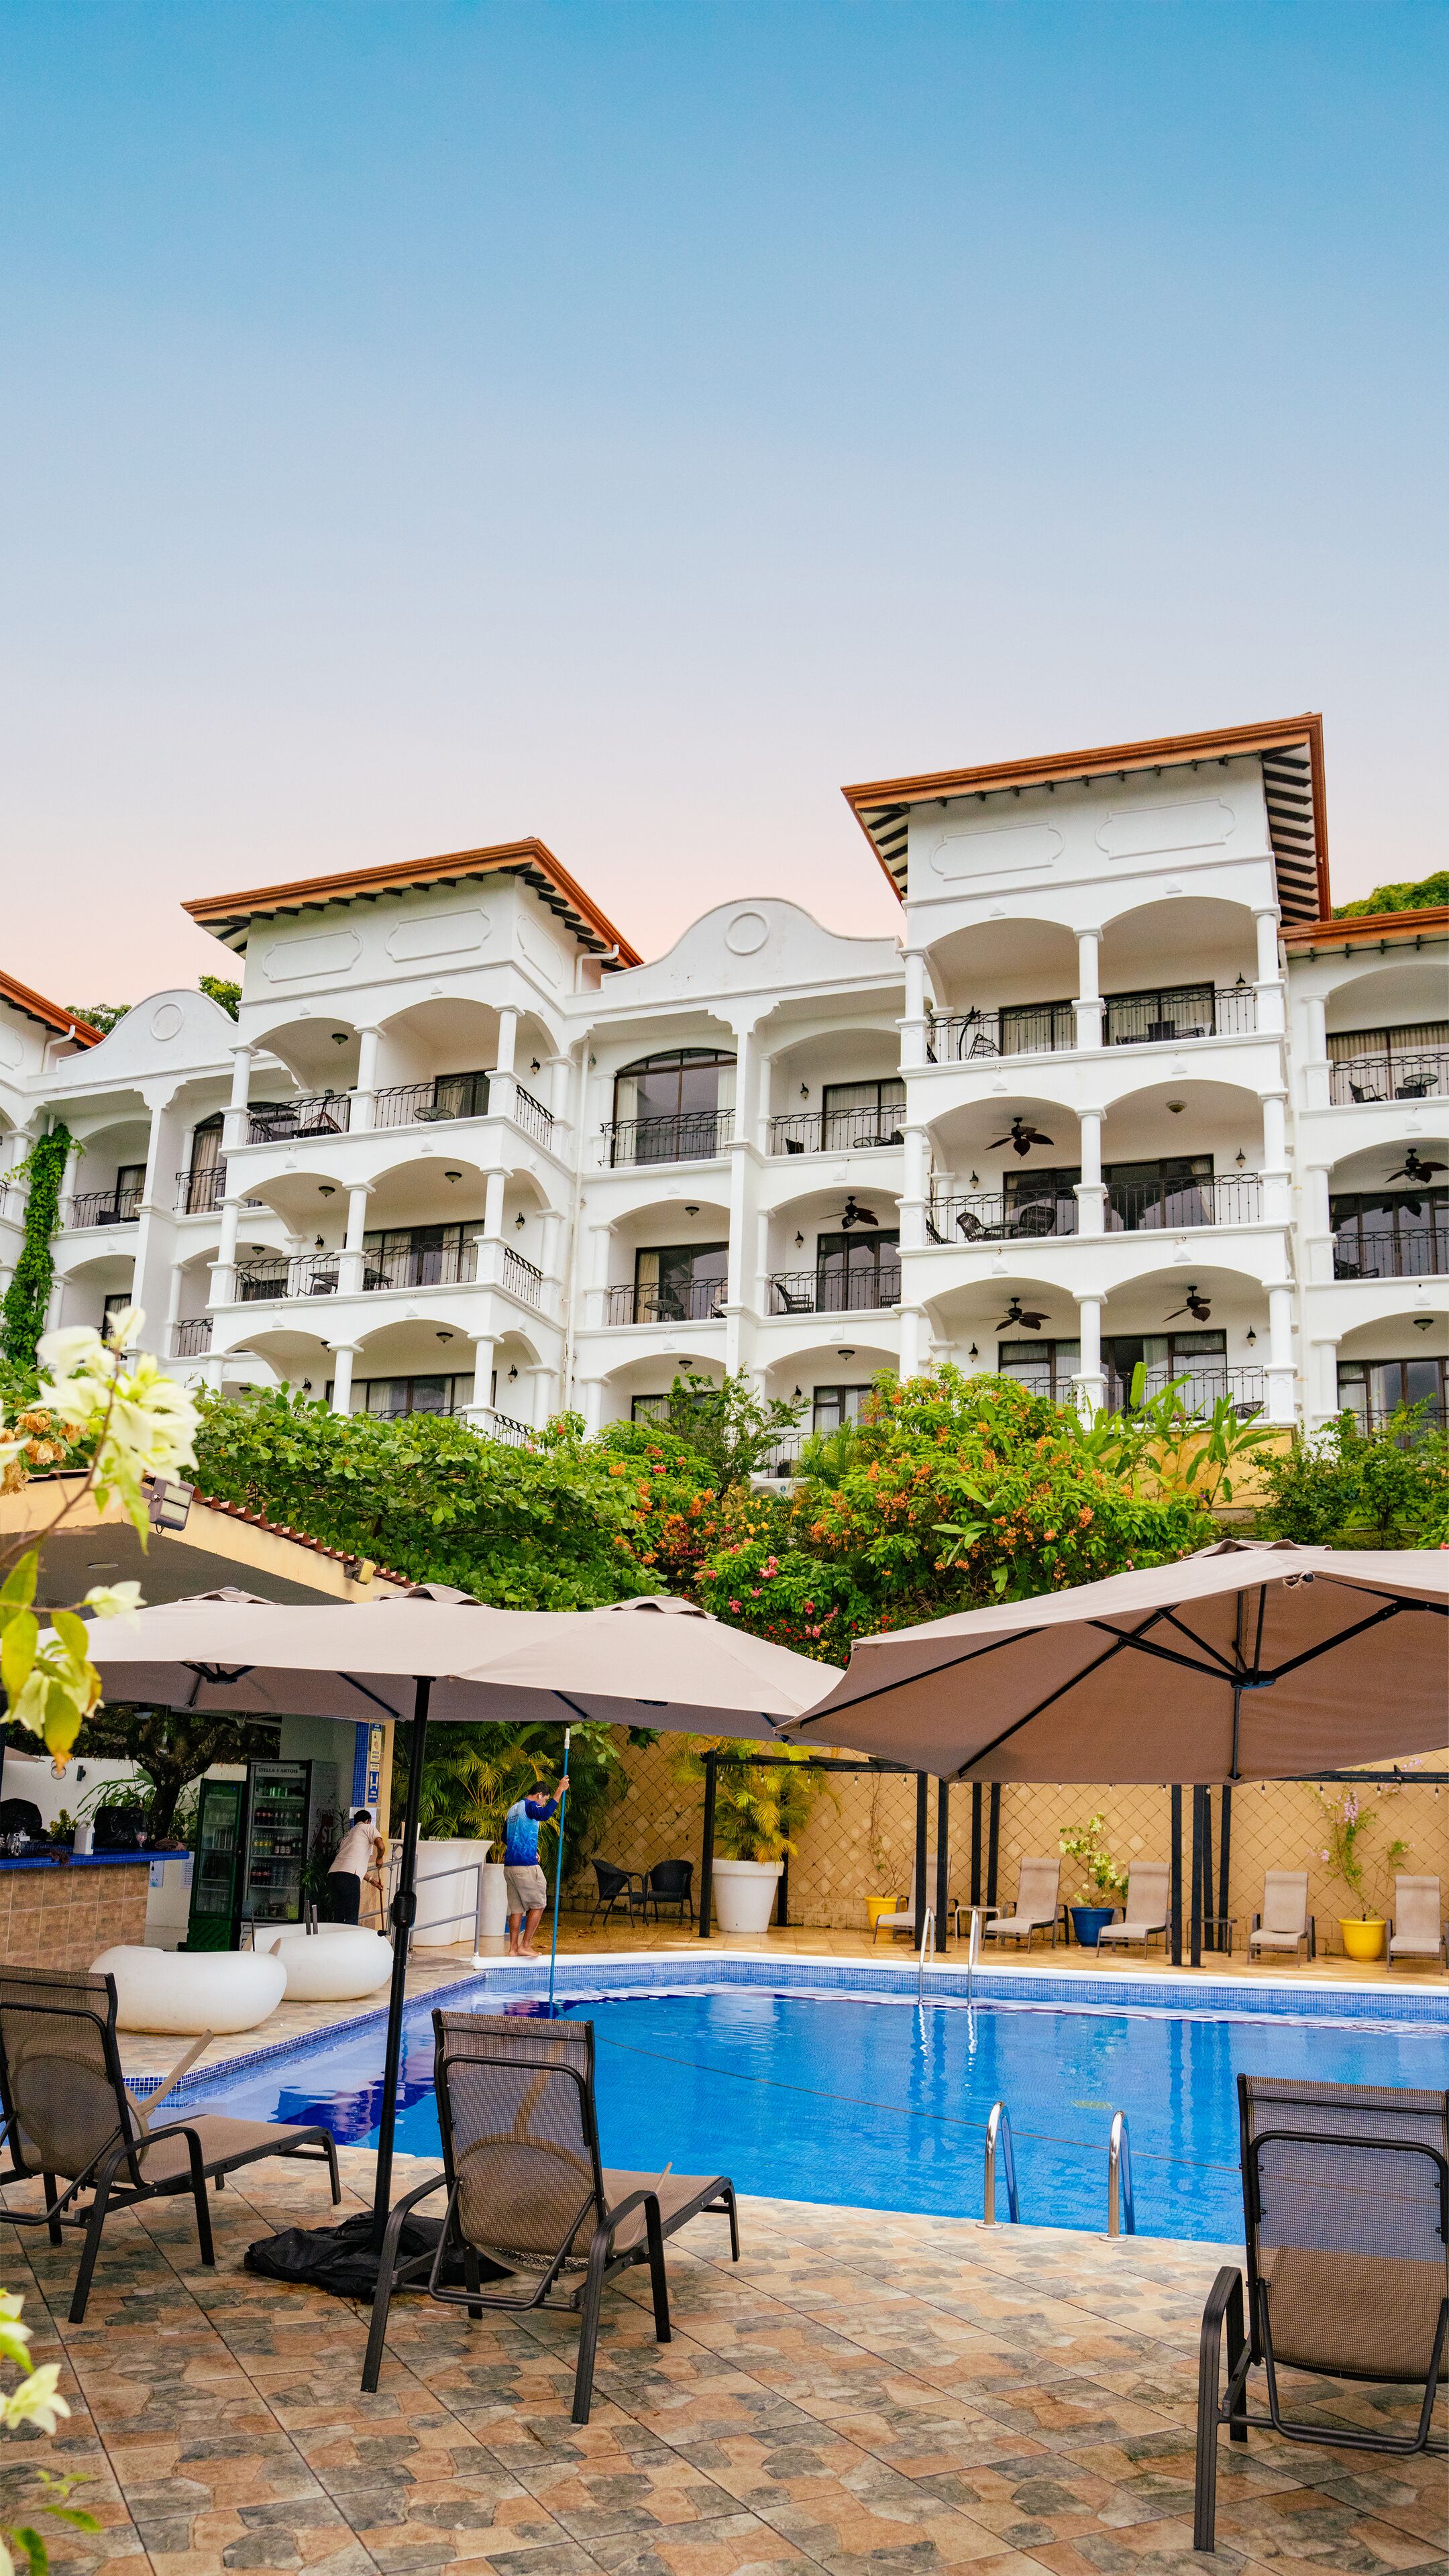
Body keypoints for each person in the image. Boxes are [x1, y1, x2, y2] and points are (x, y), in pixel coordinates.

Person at [503, 1773, 568, 1957]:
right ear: (539, 1795)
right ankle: (526, 1945)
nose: (542, 1804)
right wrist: (559, 1791)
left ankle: (513, 1949)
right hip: (526, 1866)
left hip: (510, 1866)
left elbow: (505, 1837)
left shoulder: (513, 1810)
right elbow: (545, 1814)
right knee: (539, 1904)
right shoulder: (531, 1806)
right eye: (543, 1800)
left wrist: (527, 1848)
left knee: (516, 1910)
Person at [327, 1808, 380, 1925]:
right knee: (351, 1917)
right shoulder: (369, 1828)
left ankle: (337, 1941)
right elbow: (381, 1846)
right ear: (369, 1820)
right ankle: (349, 1942)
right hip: (349, 1877)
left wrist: (372, 1881)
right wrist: (380, 1858)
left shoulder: (348, 1834)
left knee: (339, 1916)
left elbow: (349, 1864)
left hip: (333, 1875)